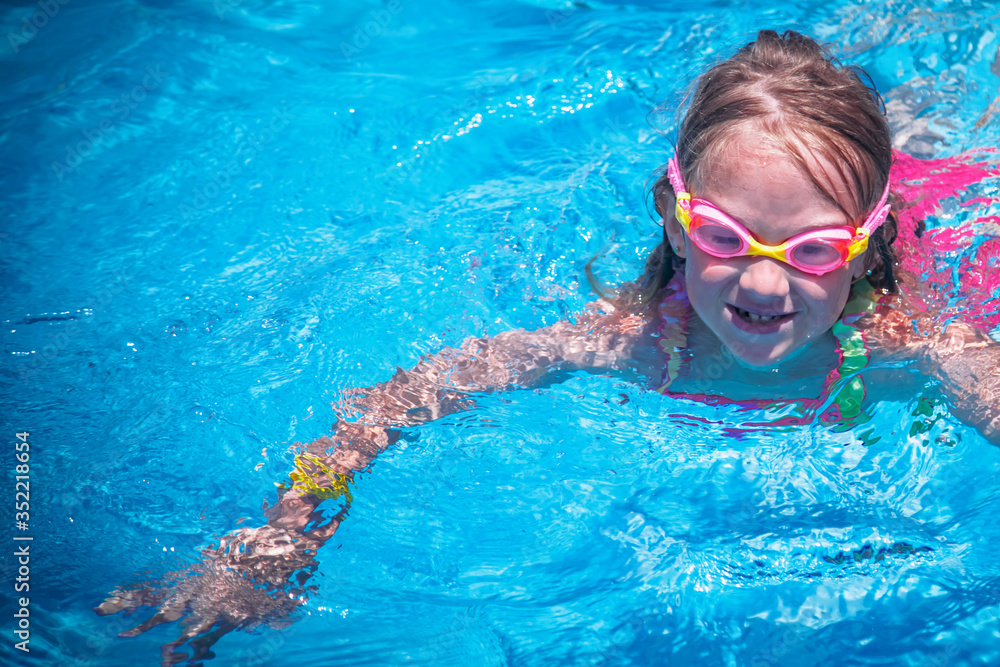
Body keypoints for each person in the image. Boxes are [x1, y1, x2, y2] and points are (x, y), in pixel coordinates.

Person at [95, 29, 1000, 664]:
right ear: (677, 223)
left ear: (860, 249)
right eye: (727, 237)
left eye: (811, 252)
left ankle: (910, 98)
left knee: (926, 136)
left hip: (937, 203)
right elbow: (388, 404)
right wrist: (273, 539)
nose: (764, 283)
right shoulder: (633, 340)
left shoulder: (895, 338)